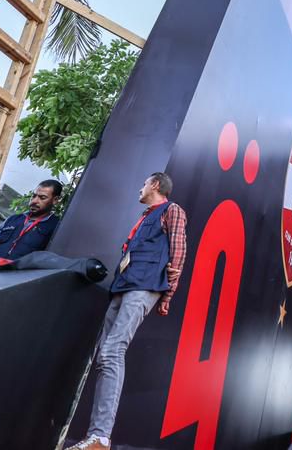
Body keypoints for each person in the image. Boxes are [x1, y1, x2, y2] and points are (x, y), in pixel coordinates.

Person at [68, 172, 187, 450]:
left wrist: (168, 294)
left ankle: (101, 437)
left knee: (112, 351)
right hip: (124, 286)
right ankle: (96, 436)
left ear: (155, 185)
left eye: (144, 183)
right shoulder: (146, 216)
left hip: (144, 286)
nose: (140, 188)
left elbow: (179, 253)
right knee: (104, 355)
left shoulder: (172, 210)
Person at [0, 180, 63, 274]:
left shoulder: (56, 227)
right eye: (34, 196)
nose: (35, 201)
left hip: (13, 278)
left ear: (55, 200)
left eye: (42, 198)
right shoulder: (13, 219)